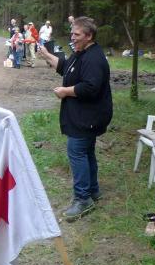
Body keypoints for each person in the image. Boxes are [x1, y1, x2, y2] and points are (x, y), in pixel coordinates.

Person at [36, 17, 112, 221]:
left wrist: (65, 91)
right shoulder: (81, 53)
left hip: (88, 116)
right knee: (86, 152)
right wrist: (47, 55)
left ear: (89, 36)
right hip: (84, 115)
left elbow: (90, 87)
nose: (72, 37)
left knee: (77, 153)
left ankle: (82, 199)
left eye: (77, 34)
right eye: (72, 33)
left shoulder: (93, 58)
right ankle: (93, 190)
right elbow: (66, 67)